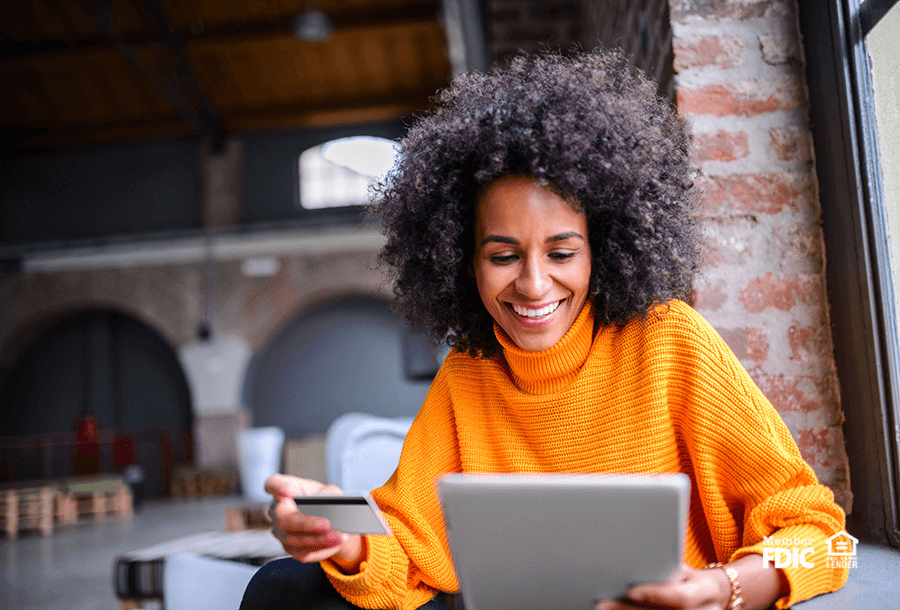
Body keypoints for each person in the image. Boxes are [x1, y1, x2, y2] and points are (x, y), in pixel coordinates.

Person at [241, 49, 848, 610]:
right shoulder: (469, 373)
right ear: (462, 259)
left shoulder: (669, 342)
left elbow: (825, 539)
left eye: (562, 254)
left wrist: (722, 587)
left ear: (602, 250)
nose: (533, 286)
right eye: (503, 257)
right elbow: (410, 548)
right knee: (282, 587)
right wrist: (342, 542)